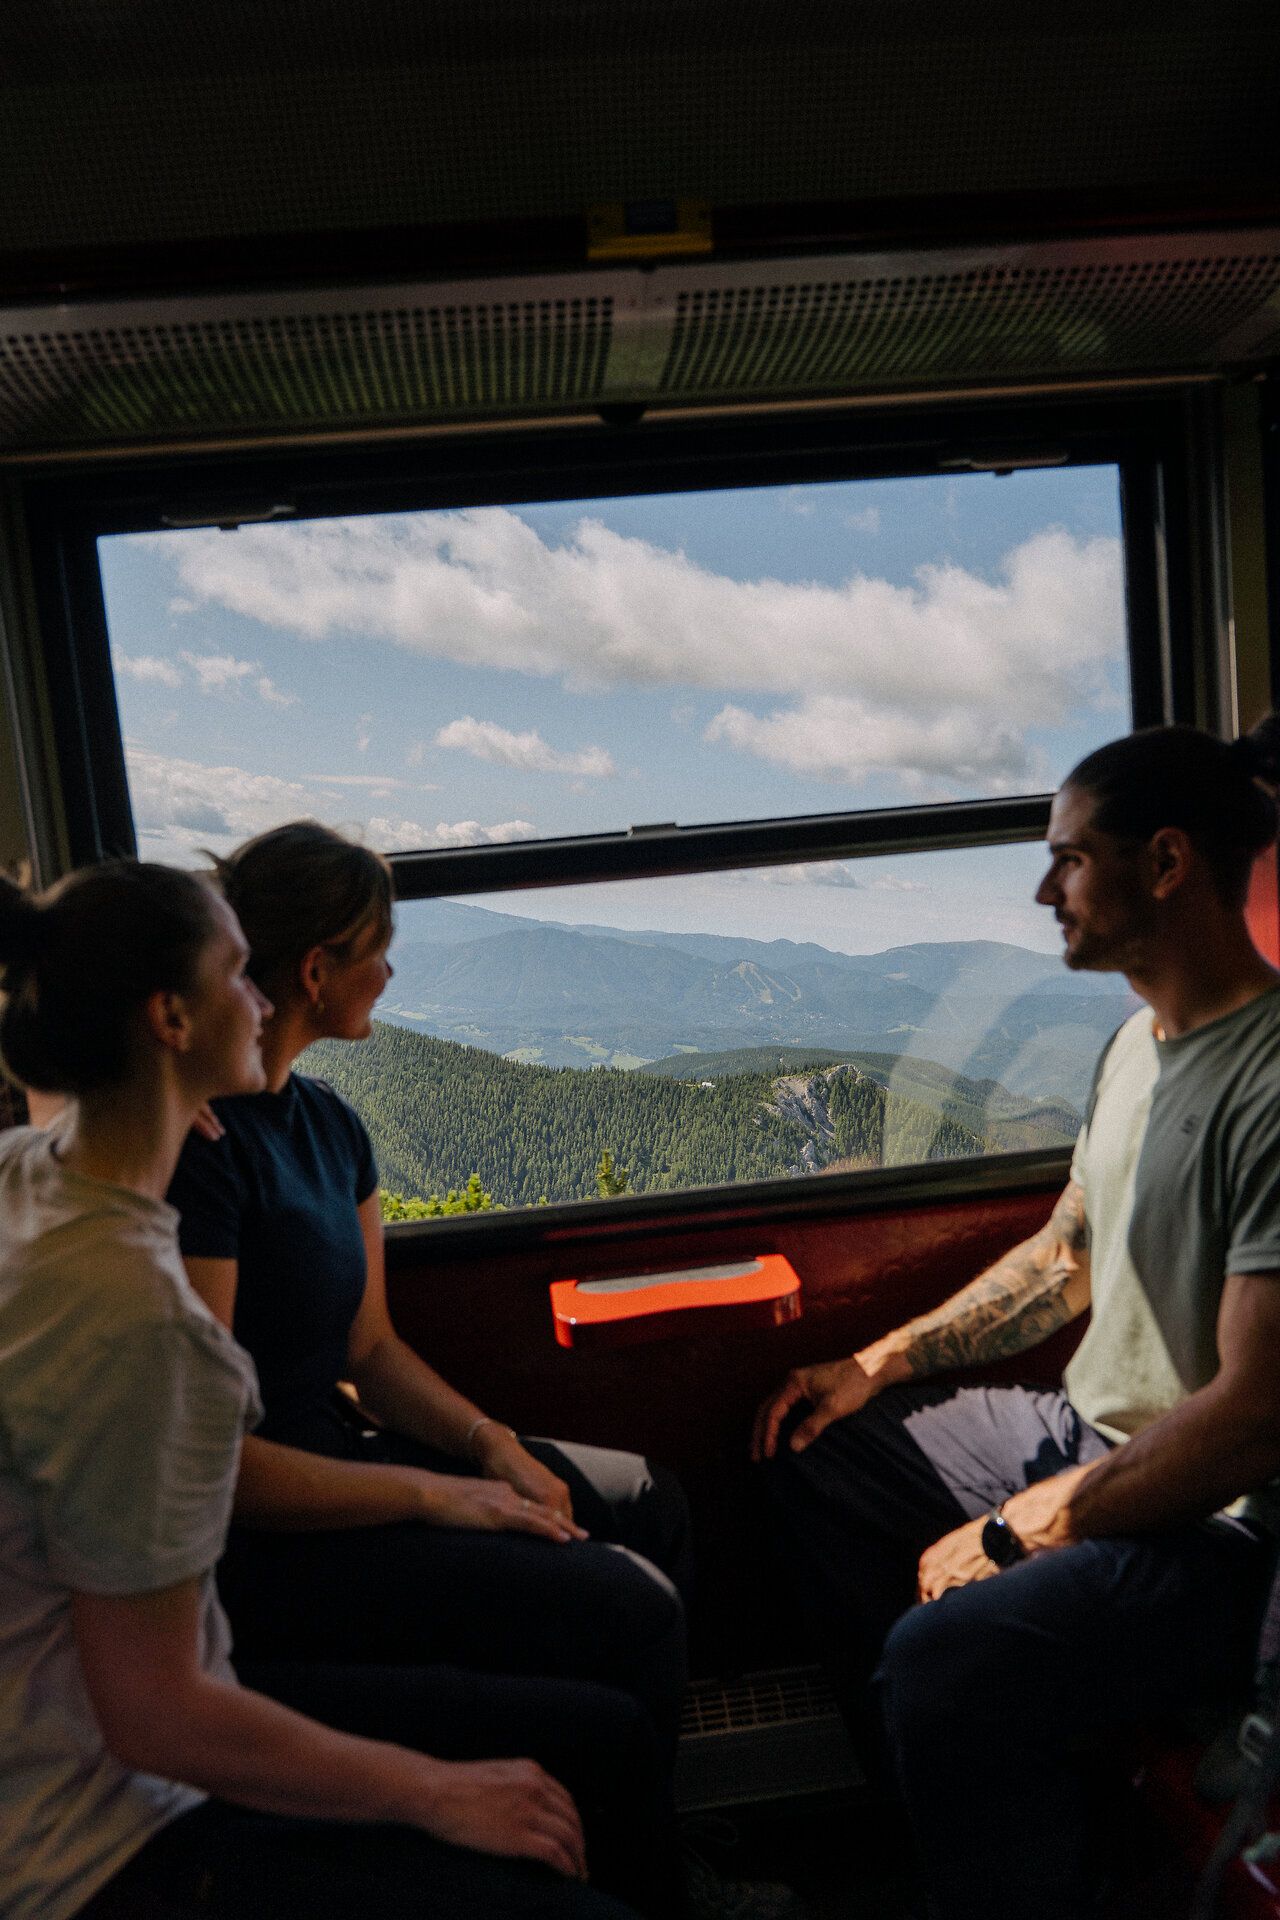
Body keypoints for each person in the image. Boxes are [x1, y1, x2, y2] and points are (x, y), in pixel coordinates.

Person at [0, 857, 650, 1920]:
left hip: (97, 1742)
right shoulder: (147, 1325)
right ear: (169, 1018)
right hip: (99, 1842)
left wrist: (160, 1109)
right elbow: (156, 1717)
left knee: (602, 1730)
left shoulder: (26, 1173)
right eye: (234, 977)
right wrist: (435, 1792)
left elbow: (61, 1119)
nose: (258, 999)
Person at [754, 718, 1280, 1920]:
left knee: (940, 1659)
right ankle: (969, 1813)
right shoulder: (1133, 1049)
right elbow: (1062, 1259)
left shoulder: (1265, 1080)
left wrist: (1015, 1532)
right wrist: (869, 1363)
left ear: (1163, 864)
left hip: (1224, 1531)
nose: (1043, 890)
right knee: (816, 1450)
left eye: (1068, 859)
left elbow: (1251, 1422)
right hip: (1087, 1437)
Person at [165, 823, 693, 1761]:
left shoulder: (331, 1127)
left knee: (645, 1498)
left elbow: (369, 1350)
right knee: (633, 1611)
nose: (394, 976)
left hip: (350, 1453)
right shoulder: (204, 1155)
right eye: (382, 953)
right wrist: (433, 1496)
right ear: (318, 970)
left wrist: (492, 1448)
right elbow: (215, 1465)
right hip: (275, 1536)